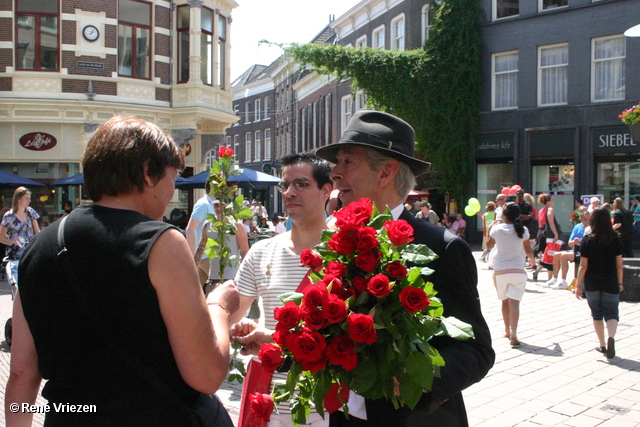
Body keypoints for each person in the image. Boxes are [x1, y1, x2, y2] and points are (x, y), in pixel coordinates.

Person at [6, 115, 239, 426]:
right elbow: (207, 375)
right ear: (146, 172)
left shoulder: (39, 246)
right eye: (172, 176)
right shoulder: (162, 243)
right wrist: (219, 307)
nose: (172, 190)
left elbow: (21, 372)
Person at [315, 110, 494, 426]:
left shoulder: (442, 247)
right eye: (337, 163)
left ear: (385, 172)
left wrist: (418, 381)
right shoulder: (338, 242)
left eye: (347, 162)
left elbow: (475, 350)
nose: (335, 174)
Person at [230, 153, 333, 426]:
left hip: (326, 407)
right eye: (284, 185)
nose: (289, 193)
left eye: (301, 184)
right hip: (267, 402)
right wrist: (236, 329)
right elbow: (230, 316)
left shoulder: (344, 255)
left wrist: (273, 338)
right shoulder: (261, 251)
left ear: (326, 190)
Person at [575, 208, 624, 359]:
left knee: (596, 314)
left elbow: (583, 266)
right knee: (612, 313)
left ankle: (602, 345)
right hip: (610, 281)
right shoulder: (615, 238)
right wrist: (620, 283)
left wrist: (578, 285)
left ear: (593, 220)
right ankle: (611, 338)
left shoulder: (587, 239)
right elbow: (619, 264)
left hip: (592, 282)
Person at [485, 203, 535, 348]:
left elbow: (488, 246)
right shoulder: (523, 230)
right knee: (515, 303)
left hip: (500, 270)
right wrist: (532, 260)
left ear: (504, 215)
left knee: (504, 302)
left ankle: (506, 330)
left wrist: (489, 229)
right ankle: (514, 333)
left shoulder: (496, 229)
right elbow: (528, 250)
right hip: (518, 270)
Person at [195, 200, 250, 294]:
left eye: (221, 205)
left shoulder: (236, 226)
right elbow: (201, 247)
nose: (218, 208)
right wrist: (192, 267)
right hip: (213, 279)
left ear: (228, 206)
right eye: (216, 205)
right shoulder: (208, 225)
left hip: (232, 279)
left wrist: (247, 277)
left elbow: (245, 251)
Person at [0, 187, 41, 285]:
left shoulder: (30, 212)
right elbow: (1, 237)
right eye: (27, 198)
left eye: (29, 198)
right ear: (19, 199)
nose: (29, 201)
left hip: (30, 253)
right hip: (15, 256)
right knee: (18, 285)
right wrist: (11, 242)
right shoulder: (8, 216)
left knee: (31, 283)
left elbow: (38, 233)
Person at [546, 210, 591, 290]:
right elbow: (570, 243)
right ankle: (554, 278)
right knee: (556, 255)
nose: (587, 222)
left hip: (584, 251)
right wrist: (574, 241)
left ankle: (563, 281)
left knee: (564, 256)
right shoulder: (577, 227)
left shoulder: (591, 228)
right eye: (585, 219)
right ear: (581, 219)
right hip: (576, 249)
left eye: (589, 219)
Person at [185, 176, 216, 286]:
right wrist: (193, 256)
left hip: (208, 255)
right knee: (219, 286)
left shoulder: (212, 204)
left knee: (196, 288)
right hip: (205, 256)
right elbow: (190, 229)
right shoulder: (203, 204)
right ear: (212, 186)